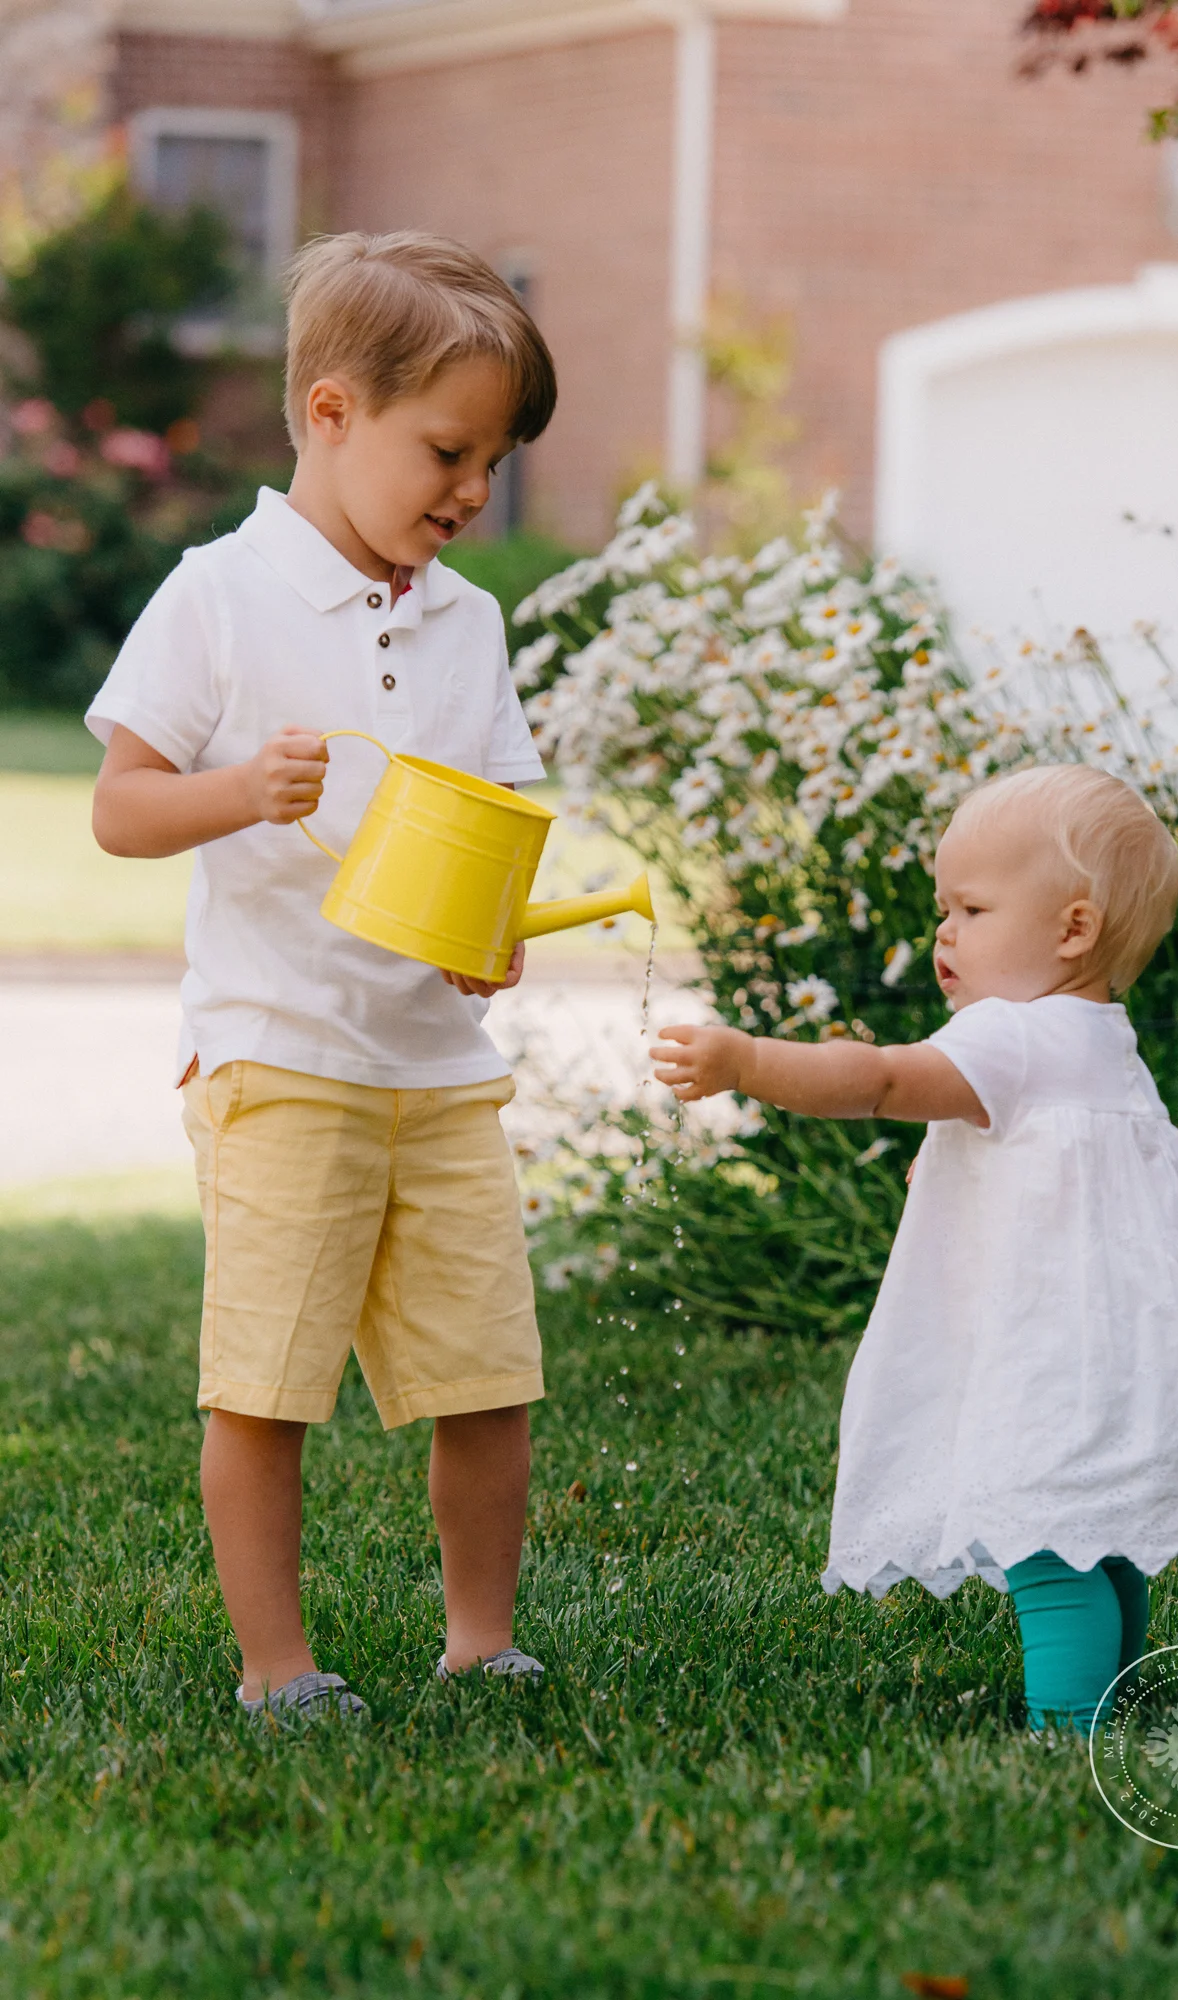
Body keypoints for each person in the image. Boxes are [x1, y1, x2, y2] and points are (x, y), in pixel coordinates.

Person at [87, 232, 558, 1721]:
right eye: (448, 449)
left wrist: (498, 931)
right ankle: (275, 1667)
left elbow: (500, 826)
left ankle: (480, 1639)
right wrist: (241, 793)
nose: (472, 491)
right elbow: (121, 807)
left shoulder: (468, 621)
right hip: (279, 1056)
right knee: (266, 1385)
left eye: (494, 459)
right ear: (335, 413)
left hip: (436, 1070)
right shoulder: (217, 597)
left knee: (487, 1379)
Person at [653, 765, 1178, 1737]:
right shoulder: (1098, 1038)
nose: (944, 932)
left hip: (1046, 1359)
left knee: (1046, 1542)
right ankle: (1113, 1693)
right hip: (1116, 1349)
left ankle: (1067, 1727)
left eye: (971, 906)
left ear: (1073, 929)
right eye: (944, 907)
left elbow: (880, 1076)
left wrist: (748, 1060)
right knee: (1099, 1536)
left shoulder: (1014, 1036)